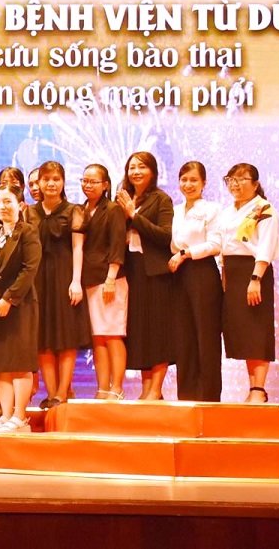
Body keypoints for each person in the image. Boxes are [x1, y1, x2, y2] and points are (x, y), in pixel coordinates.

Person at [215, 163, 279, 402]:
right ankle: (252, 387)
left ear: (255, 184)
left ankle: (259, 389)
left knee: (257, 329)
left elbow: (266, 246)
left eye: (242, 179)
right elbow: (224, 247)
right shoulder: (227, 211)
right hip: (232, 273)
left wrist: (255, 278)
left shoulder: (264, 209)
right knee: (243, 331)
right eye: (231, 179)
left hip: (253, 272)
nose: (236, 184)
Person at [0, 184, 42, 433]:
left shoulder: (28, 231)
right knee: (1, 363)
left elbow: (30, 268)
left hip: (19, 304)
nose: (2, 207)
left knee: (19, 361)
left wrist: (9, 299)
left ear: (21, 205)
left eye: (8, 202)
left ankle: (20, 416)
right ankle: (6, 415)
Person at [31, 161, 89, 408]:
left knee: (67, 337)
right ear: (38, 183)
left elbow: (78, 247)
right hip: (38, 280)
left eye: (56, 179)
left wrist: (76, 281)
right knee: (42, 338)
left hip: (65, 276)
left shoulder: (74, 210)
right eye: (46, 179)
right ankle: (51, 392)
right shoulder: (29, 212)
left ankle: (63, 393)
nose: (51, 184)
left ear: (63, 182)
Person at [116, 152, 174, 400]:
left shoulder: (162, 199)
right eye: (132, 167)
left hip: (156, 272)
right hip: (132, 270)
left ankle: (156, 389)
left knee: (157, 330)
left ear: (153, 171)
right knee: (139, 331)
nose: (136, 172)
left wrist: (134, 215)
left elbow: (165, 236)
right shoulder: (124, 199)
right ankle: (146, 388)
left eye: (142, 167)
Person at [167, 161, 223, 402]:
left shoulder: (212, 209)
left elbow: (215, 245)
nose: (188, 185)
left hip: (203, 272)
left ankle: (209, 396)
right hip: (180, 274)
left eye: (193, 180)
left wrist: (185, 253)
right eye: (184, 180)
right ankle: (186, 395)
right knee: (184, 336)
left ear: (204, 183)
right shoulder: (176, 210)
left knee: (206, 334)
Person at [75, 164, 127, 400]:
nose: (88, 185)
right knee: (98, 336)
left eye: (93, 181)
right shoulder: (82, 209)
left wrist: (110, 278)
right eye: (84, 180)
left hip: (110, 279)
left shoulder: (113, 209)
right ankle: (102, 387)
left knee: (113, 334)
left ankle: (117, 387)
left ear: (105, 184)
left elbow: (117, 245)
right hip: (89, 280)